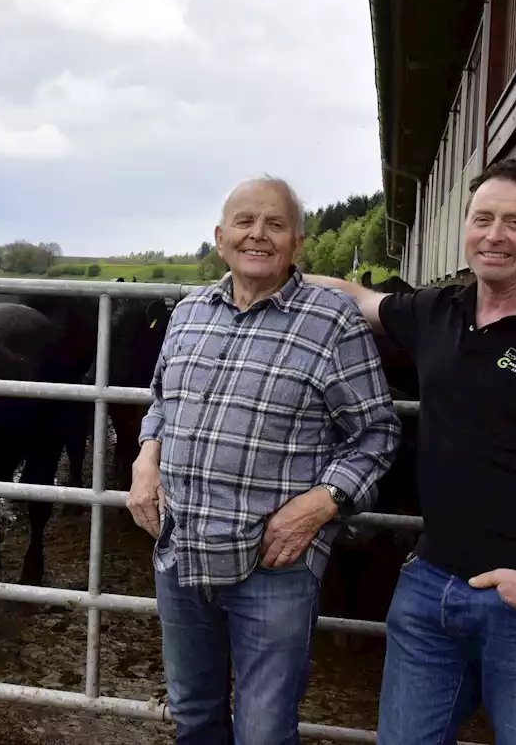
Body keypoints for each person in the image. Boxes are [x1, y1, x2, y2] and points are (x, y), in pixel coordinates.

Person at [308, 158, 516, 744]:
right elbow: (356, 297)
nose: (494, 234)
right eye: (482, 218)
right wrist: (258, 274)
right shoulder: (438, 313)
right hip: (429, 589)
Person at [127, 175, 402, 745]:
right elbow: (161, 402)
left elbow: (376, 434)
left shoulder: (332, 322)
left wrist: (321, 504)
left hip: (272, 563)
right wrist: (146, 457)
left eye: (275, 224)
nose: (258, 235)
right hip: (182, 550)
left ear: (297, 242)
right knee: (194, 714)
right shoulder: (189, 313)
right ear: (220, 236)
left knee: (264, 730)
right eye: (245, 222)